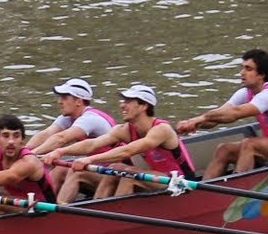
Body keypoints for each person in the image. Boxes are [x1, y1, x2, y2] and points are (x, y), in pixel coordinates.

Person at [43, 85, 195, 204]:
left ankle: (114, 212)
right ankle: (97, 208)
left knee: (128, 174)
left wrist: (89, 159)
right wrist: (60, 152)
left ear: (143, 106)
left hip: (182, 182)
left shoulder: (162, 129)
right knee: (115, 168)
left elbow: (127, 151)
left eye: (128, 101)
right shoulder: (125, 129)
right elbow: (92, 144)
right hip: (156, 179)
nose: (122, 106)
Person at [176, 49, 268, 178]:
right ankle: (204, 190)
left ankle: (239, 184)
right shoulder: (245, 93)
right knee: (224, 149)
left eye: (248, 69)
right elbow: (218, 116)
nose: (242, 72)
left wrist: (198, 119)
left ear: (262, 74)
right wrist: (193, 124)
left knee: (250, 144)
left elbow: (234, 113)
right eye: (242, 68)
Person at [25, 78, 118, 194]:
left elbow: (61, 138)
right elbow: (47, 133)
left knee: (70, 171)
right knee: (56, 168)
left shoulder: (91, 118)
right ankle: (45, 200)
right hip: (98, 166)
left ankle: (56, 203)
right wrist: (25, 150)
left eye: (64, 98)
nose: (59, 101)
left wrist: (31, 155)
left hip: (114, 171)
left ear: (78, 101)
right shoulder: (68, 117)